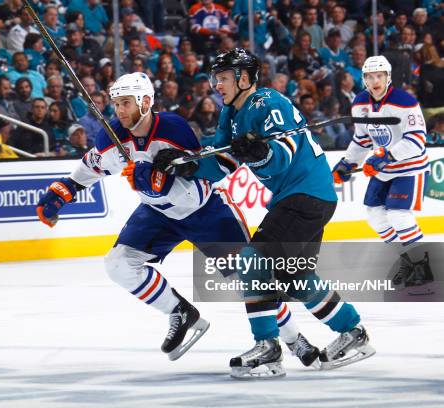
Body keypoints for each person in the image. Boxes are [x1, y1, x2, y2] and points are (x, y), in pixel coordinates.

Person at [36, 72, 313, 363]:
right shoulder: (112, 135)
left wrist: (153, 179)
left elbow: (198, 177)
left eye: (126, 103)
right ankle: (180, 312)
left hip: (206, 211)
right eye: (116, 103)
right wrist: (60, 193)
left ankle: (294, 339)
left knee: (251, 277)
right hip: (157, 214)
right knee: (118, 264)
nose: (119, 110)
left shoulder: (173, 128)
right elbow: (91, 166)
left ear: (145, 101)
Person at [194, 48, 375, 378]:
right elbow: (221, 164)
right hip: (303, 197)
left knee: (252, 262)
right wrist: (184, 165)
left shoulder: (269, 103)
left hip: (305, 194)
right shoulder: (229, 116)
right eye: (214, 79)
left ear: (244, 78)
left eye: (222, 79)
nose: (216, 85)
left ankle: (268, 347)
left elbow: (284, 155)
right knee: (294, 276)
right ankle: (353, 332)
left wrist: (261, 150)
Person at [332, 56, 430, 288]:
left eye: (379, 76)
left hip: (409, 167)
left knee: (398, 216)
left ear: (388, 77)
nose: (375, 81)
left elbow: (417, 139)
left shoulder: (405, 102)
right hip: (383, 170)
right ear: (364, 80)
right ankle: (407, 262)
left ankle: (422, 266)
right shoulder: (360, 103)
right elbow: (363, 138)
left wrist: (386, 156)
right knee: (376, 218)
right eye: (369, 77)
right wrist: (347, 162)